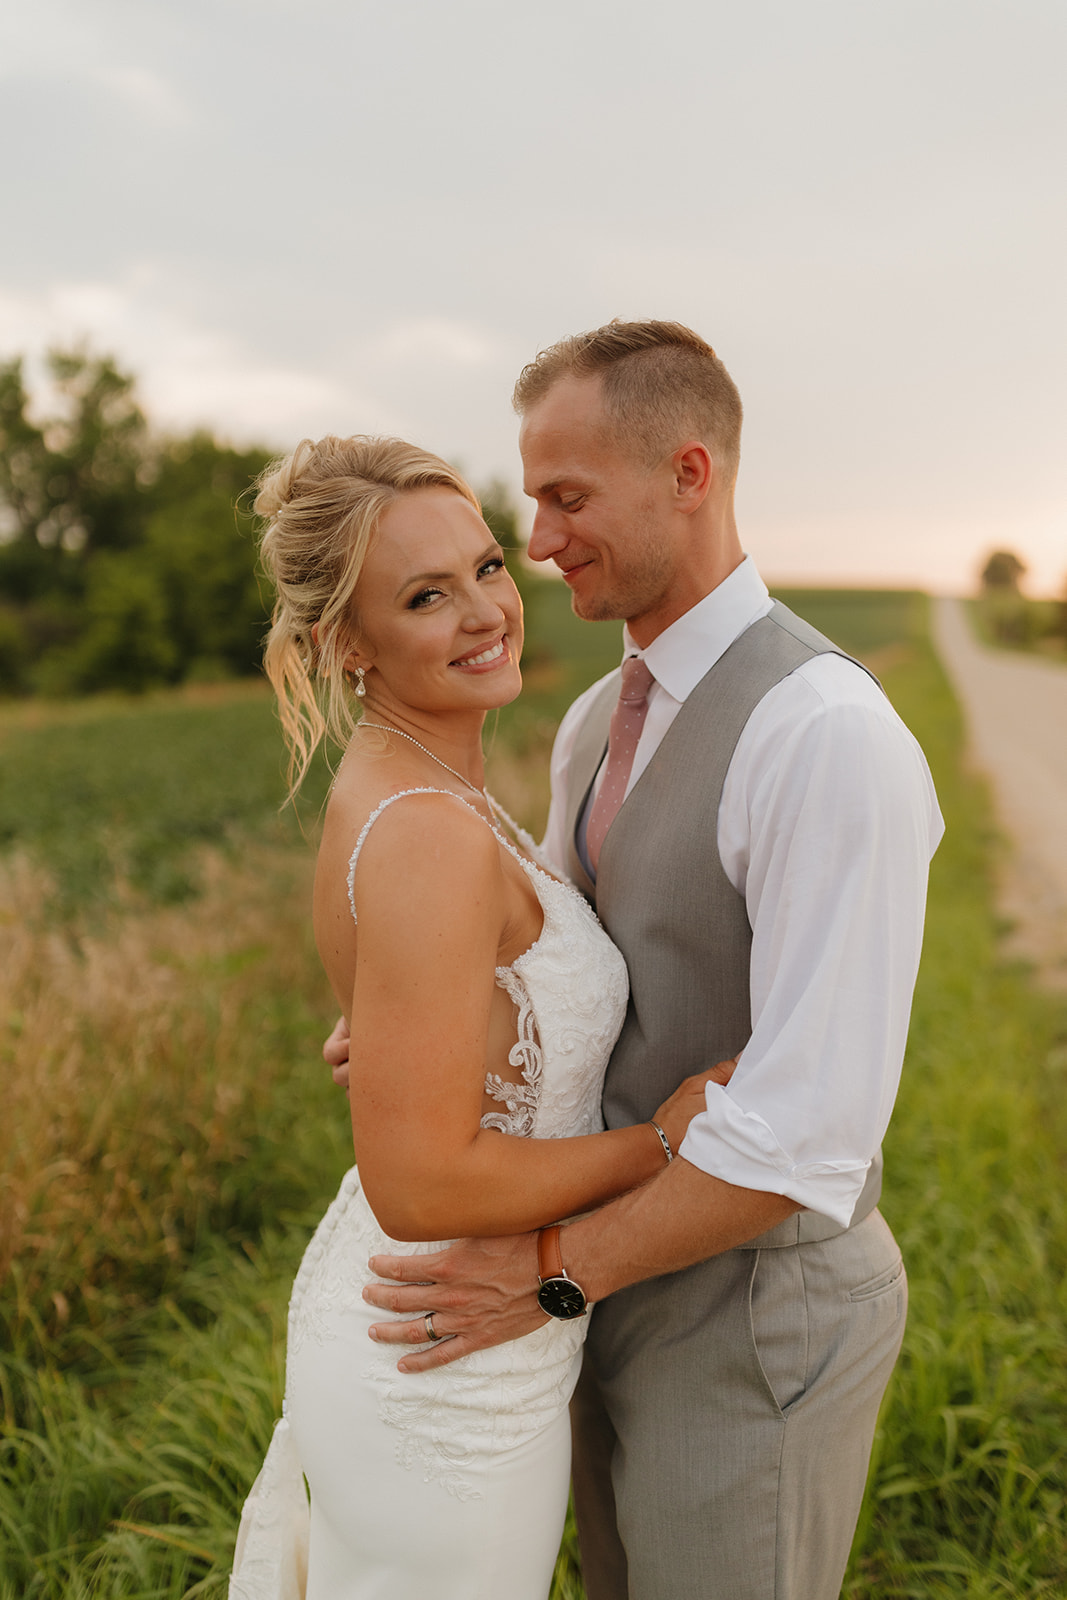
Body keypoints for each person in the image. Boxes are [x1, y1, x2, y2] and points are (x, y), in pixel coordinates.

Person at [347, 322, 945, 1600]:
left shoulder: (824, 734)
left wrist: (550, 1275)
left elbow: (806, 1134)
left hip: (748, 1318)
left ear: (689, 473)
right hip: (610, 1290)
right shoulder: (584, 725)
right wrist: (438, 1021)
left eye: (568, 498)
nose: (543, 541)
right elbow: (580, 974)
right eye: (534, 504)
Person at [228, 433, 731, 1600]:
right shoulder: (422, 834)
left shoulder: (431, 786)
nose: (482, 612)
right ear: (342, 644)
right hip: (440, 1358)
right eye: (422, 595)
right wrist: (658, 1142)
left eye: (486, 567)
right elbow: (420, 1183)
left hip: (450, 1324)